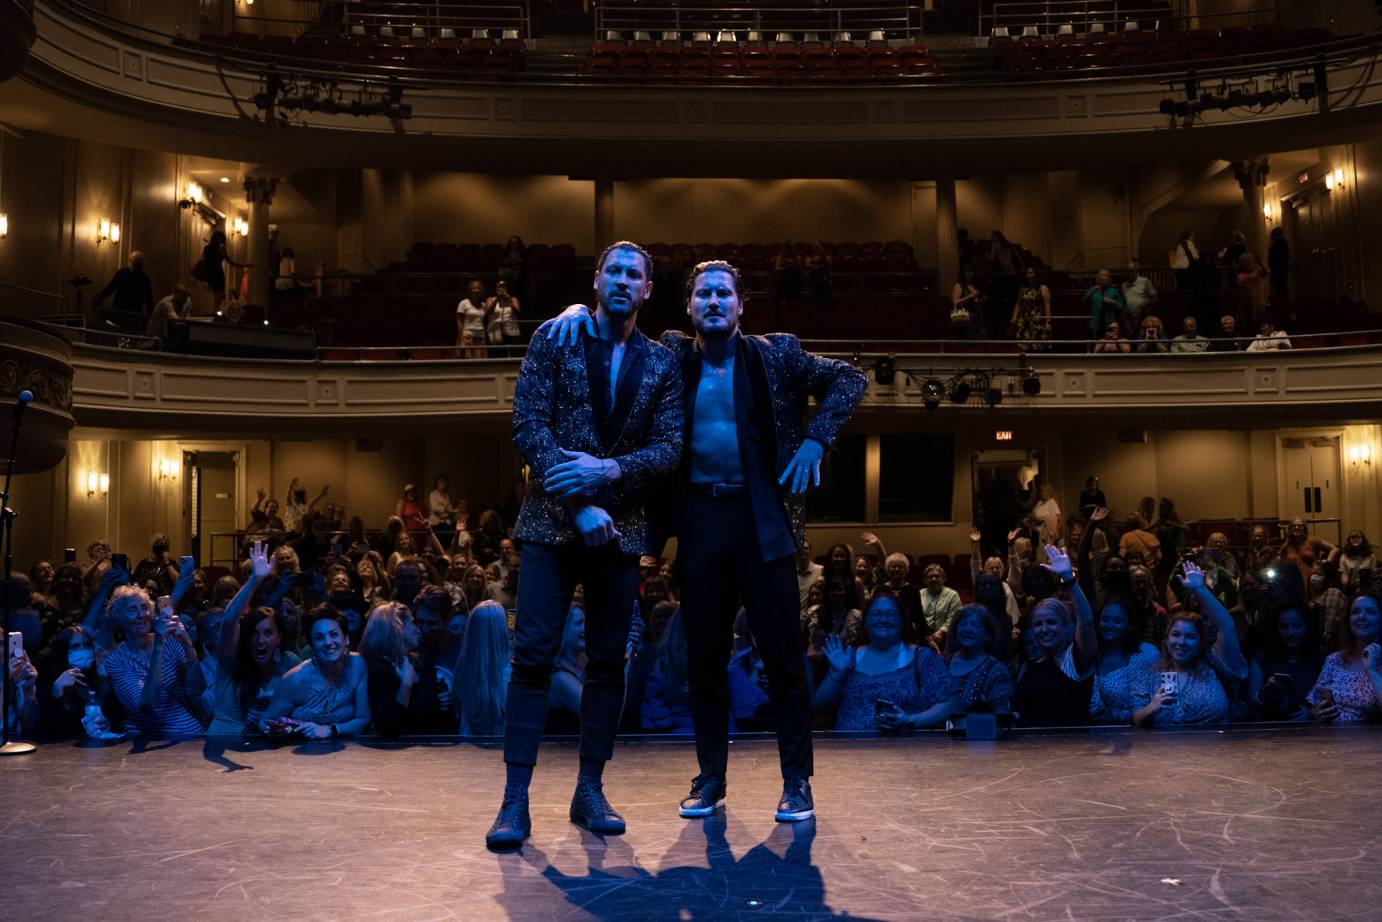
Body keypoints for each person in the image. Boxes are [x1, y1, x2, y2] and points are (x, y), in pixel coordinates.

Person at [544, 256, 867, 825]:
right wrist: (574, 307)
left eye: (723, 293)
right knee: (706, 662)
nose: (713, 302)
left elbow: (850, 377)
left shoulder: (778, 353)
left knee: (784, 660)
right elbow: (614, 324)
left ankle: (797, 782)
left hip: (760, 522)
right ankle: (712, 777)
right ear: (688, 307)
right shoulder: (668, 355)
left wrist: (817, 438)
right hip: (698, 522)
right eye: (702, 294)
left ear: (741, 305)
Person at [486, 240, 683, 850]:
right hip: (552, 523)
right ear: (596, 280)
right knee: (534, 657)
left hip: (620, 529)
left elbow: (670, 447)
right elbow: (527, 425)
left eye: (635, 275)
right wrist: (579, 500)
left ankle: (589, 789)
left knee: (607, 663)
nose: (623, 281)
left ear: (648, 289)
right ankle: (514, 800)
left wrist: (608, 473)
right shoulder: (556, 336)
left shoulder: (663, 362)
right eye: (614, 271)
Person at [814, 590, 959, 731]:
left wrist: (911, 720)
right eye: (876, 614)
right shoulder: (848, 657)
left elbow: (952, 703)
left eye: (890, 614)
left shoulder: (922, 658)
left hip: (904, 752)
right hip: (848, 751)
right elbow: (819, 706)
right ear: (865, 622)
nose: (883, 619)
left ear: (902, 622)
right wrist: (838, 673)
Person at [1129, 562, 1247, 727]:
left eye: (1190, 636)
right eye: (1176, 635)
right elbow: (1136, 718)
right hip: (1162, 750)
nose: (1181, 642)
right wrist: (1150, 708)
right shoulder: (1149, 674)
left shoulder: (1214, 665)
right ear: (1167, 638)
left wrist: (1200, 590)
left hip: (1215, 748)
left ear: (1200, 643)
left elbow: (1227, 627)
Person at [207, 541, 300, 735]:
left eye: (268, 633)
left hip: (266, 750)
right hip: (226, 739)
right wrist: (255, 580)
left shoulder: (288, 662)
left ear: (279, 638)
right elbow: (230, 620)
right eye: (254, 633)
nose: (260, 640)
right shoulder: (233, 661)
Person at [102, 577, 206, 737]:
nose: (141, 615)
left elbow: (197, 689)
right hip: (150, 743)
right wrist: (158, 645)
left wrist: (187, 644)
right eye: (132, 610)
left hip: (191, 734)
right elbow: (147, 704)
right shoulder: (116, 660)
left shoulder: (171, 641)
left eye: (144, 607)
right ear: (118, 618)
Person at [258, 604, 371, 739]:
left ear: (346, 639)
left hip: (351, 752)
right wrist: (279, 731)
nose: (328, 642)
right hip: (302, 753)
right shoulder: (295, 678)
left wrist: (329, 730)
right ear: (311, 646)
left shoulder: (359, 665)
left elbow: (363, 720)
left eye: (333, 634)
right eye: (319, 638)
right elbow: (264, 721)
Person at [1013, 547, 1097, 727]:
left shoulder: (1074, 660)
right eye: (1038, 624)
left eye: (1051, 622)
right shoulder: (1028, 666)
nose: (1044, 629)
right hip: (1031, 750)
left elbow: (1087, 621)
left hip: (1072, 749)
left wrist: (1069, 579)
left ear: (1066, 625)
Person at [1308, 591, 1382, 722]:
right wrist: (1317, 713)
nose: (1361, 616)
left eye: (1370, 612)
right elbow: (1314, 706)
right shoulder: (1334, 659)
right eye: (1355, 612)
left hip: (1371, 740)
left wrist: (1372, 671)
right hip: (1330, 738)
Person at [1088, 597, 1160, 723]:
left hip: (1127, 736)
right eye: (1105, 619)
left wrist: (1114, 718)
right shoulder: (1092, 655)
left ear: (1129, 625)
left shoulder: (1138, 659)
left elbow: (1143, 707)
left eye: (1117, 621)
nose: (1110, 625)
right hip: (1091, 736)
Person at [1248, 604, 1322, 721]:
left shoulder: (1319, 661)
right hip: (1270, 733)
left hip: (1311, 732)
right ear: (1276, 630)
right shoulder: (1262, 659)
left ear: (1307, 627)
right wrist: (1264, 693)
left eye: (1297, 626)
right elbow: (1250, 709)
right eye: (1284, 627)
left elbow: (1329, 701)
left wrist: (1311, 713)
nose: (1291, 633)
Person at [944, 604, 1015, 716]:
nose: (967, 629)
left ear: (987, 635)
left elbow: (1003, 717)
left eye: (975, 625)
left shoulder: (996, 671)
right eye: (963, 624)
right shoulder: (941, 664)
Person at [456, 601, 512, 736]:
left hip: (470, 751)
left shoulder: (464, 669)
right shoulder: (511, 673)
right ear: (501, 628)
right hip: (505, 750)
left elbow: (465, 727)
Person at [199, 231, 250, 312]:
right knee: (219, 296)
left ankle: (215, 312)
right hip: (217, 274)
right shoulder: (220, 250)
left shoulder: (207, 248)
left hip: (209, 273)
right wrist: (244, 265)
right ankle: (215, 313)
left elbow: (202, 261)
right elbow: (231, 262)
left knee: (219, 296)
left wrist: (203, 277)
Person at [94, 250, 156, 315]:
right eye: (137, 261)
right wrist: (99, 297)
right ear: (130, 261)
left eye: (141, 261)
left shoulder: (144, 278)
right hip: (119, 311)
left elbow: (149, 298)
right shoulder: (121, 273)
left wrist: (150, 313)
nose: (139, 263)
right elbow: (110, 288)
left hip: (134, 314)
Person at [1010, 266, 1051, 350]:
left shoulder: (1043, 288)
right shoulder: (1023, 289)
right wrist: (1014, 317)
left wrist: (1048, 322)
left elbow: (1047, 306)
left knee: (1037, 346)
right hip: (1024, 321)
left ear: (1036, 274)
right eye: (1027, 273)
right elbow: (1018, 304)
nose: (1029, 275)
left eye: (1031, 273)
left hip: (1038, 321)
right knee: (1024, 347)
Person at [1082, 269, 1124, 340]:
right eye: (1104, 275)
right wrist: (1092, 291)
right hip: (1095, 324)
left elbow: (1121, 306)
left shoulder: (1113, 291)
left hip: (1109, 324)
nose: (1106, 278)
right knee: (1095, 345)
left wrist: (1113, 302)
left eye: (1108, 276)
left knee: (1109, 345)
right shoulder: (1092, 290)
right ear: (1098, 277)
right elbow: (1084, 302)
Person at [456, 278, 492, 359]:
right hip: (468, 337)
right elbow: (459, 322)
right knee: (468, 363)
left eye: (479, 288)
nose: (477, 290)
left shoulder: (483, 305)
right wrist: (461, 340)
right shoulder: (463, 303)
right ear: (470, 290)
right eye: (474, 288)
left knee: (481, 364)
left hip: (480, 337)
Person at [486, 279, 523, 352]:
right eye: (499, 286)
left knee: (511, 353)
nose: (501, 288)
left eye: (504, 286)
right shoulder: (490, 299)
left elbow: (518, 313)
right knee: (497, 354)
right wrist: (497, 299)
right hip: (495, 331)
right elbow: (488, 312)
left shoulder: (513, 299)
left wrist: (509, 299)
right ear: (495, 288)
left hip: (511, 331)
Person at [1120, 259, 1158, 327]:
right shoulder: (1124, 285)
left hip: (1143, 316)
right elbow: (1123, 301)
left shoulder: (1145, 281)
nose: (1130, 274)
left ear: (1137, 271)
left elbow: (1155, 298)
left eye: (1132, 271)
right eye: (1128, 272)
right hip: (1129, 318)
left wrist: (1145, 304)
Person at [1236, 253, 1270, 326]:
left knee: (1258, 317)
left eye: (1247, 261)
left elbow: (1265, 273)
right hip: (1245, 297)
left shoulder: (1257, 269)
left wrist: (1259, 262)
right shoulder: (1240, 272)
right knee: (1246, 316)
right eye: (1243, 261)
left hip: (1257, 297)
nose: (1245, 263)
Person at [950, 266, 983, 339]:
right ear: (963, 273)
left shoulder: (973, 286)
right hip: (965, 318)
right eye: (968, 272)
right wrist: (970, 296)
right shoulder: (958, 285)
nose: (970, 274)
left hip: (976, 317)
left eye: (971, 272)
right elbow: (956, 303)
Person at [805, 241, 832, 308]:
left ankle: (825, 300)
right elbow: (807, 264)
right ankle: (816, 300)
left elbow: (829, 263)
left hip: (823, 273)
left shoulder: (825, 254)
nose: (816, 247)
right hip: (814, 273)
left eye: (818, 245)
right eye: (815, 246)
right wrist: (816, 266)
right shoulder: (810, 255)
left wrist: (823, 254)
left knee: (824, 273)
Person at [1267, 226, 1290, 299]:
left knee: (1279, 288)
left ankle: (1281, 305)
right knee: (1283, 286)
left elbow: (1273, 258)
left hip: (1277, 269)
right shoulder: (1284, 244)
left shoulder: (1276, 245)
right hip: (1283, 268)